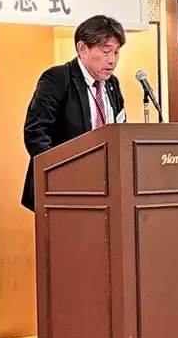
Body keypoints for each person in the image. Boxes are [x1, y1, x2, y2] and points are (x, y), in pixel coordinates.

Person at [21, 15, 127, 212]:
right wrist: (59, 173)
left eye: (116, 52)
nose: (112, 60)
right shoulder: (58, 79)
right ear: (82, 49)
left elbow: (120, 129)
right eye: (106, 51)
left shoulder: (112, 84)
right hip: (61, 189)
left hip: (104, 187)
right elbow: (36, 133)